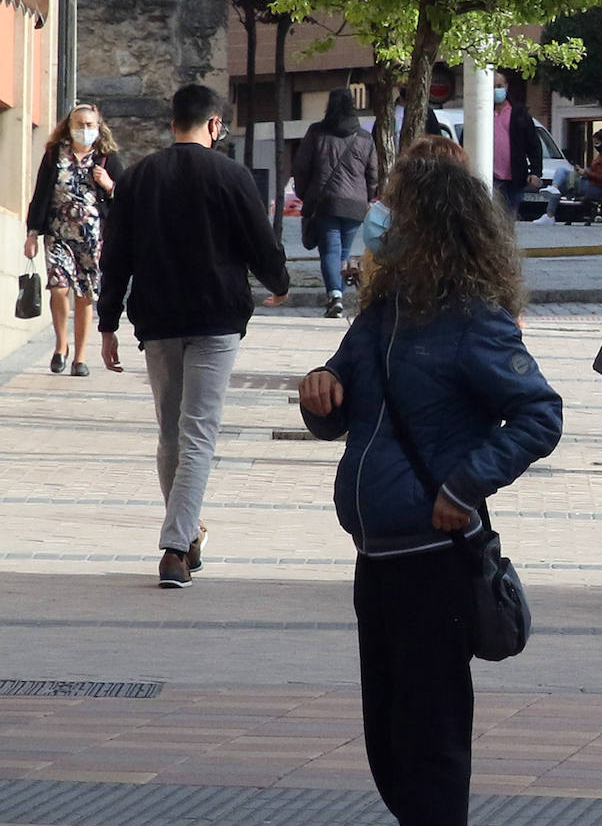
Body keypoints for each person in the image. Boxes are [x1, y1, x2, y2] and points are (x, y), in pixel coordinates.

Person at [297, 150, 562, 826]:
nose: (380, 216)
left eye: (394, 205)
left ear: (432, 221)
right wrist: (319, 392)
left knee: (430, 737)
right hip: (376, 556)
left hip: (432, 559)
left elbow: (538, 414)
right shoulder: (386, 309)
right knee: (389, 740)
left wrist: (464, 481)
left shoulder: (472, 318)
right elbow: (340, 397)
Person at [98, 84, 289, 588]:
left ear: (173, 122)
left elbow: (116, 254)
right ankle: (177, 547)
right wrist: (280, 284)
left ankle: (186, 536)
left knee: (170, 434)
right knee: (198, 433)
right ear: (213, 124)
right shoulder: (231, 175)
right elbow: (260, 242)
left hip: (157, 321)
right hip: (216, 318)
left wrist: (108, 322)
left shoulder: (138, 177)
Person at [24, 102, 124, 376]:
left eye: (90, 125)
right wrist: (32, 233)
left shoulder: (107, 157)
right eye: (79, 124)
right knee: (58, 287)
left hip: (92, 240)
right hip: (58, 234)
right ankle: (60, 346)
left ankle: (80, 358)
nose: (84, 129)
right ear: (68, 127)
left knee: (85, 296)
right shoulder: (55, 154)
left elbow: (126, 199)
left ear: (98, 127)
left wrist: (109, 186)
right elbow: (41, 194)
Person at [293, 88, 379, 317]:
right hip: (355, 204)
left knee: (330, 250)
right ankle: (337, 298)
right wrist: (367, 196)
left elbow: (301, 167)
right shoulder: (364, 137)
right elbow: (373, 173)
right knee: (343, 251)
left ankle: (335, 296)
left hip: (325, 201)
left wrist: (304, 194)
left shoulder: (316, 133)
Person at [533, 128, 602, 225]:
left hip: (598, 187)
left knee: (562, 175)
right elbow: (597, 172)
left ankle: (550, 213)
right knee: (560, 176)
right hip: (592, 184)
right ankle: (550, 210)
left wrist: (585, 173)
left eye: (597, 143)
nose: (596, 146)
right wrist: (583, 171)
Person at [492, 71, 543, 217]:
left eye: (499, 86)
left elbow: (533, 144)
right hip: (490, 177)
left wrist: (535, 172)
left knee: (509, 217)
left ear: (506, 87)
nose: (496, 90)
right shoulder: (482, 113)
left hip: (515, 177)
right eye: (492, 87)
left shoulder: (519, 113)